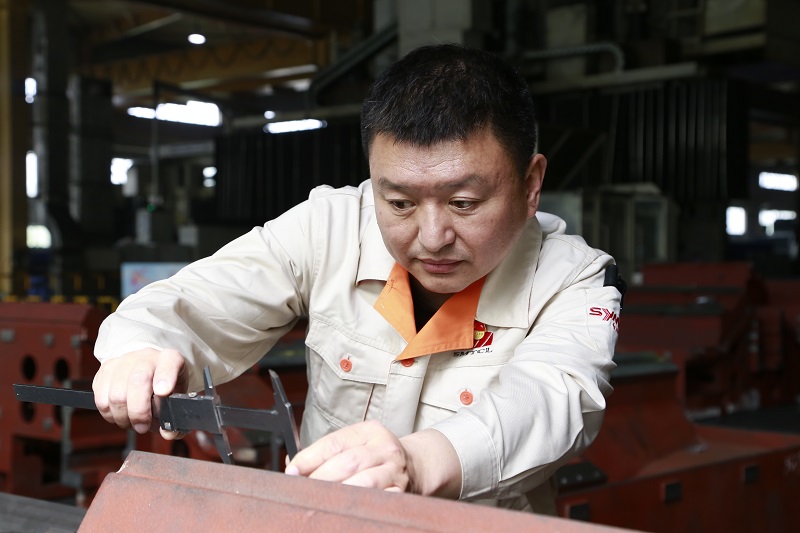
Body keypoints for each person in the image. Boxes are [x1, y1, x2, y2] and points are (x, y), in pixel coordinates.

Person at [92, 43, 621, 514]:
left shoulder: (575, 279)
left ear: (530, 185)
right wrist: (141, 348)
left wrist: (418, 462)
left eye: (463, 202)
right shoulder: (330, 228)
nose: (432, 237)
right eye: (400, 203)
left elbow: (553, 399)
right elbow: (196, 299)